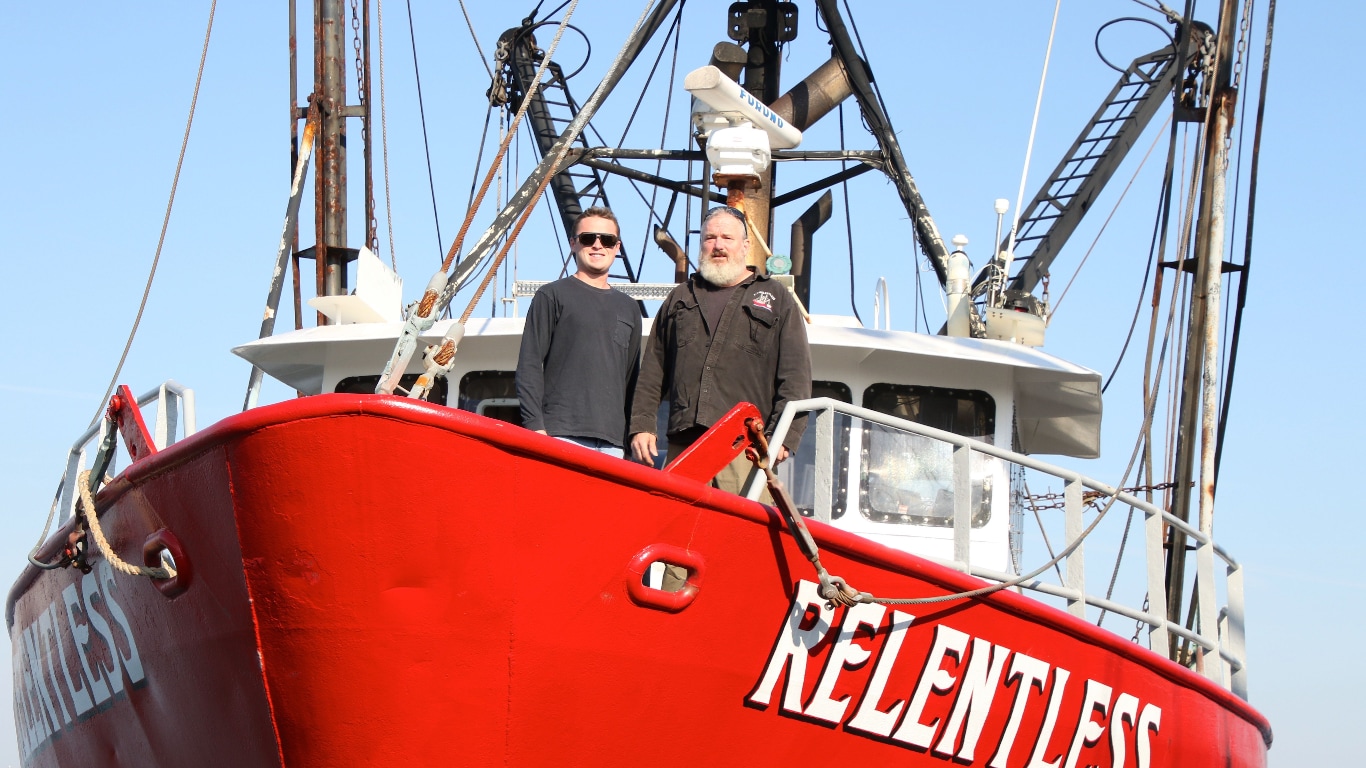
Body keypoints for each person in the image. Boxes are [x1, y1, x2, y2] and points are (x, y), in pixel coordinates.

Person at [629, 205, 811, 497]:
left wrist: (783, 438)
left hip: (745, 449)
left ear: (745, 246)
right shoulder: (679, 298)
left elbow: (795, 378)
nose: (718, 245)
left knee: (741, 536)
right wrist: (642, 425)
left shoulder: (777, 299)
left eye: (727, 237)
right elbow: (653, 371)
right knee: (674, 530)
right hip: (685, 445)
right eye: (710, 238)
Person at [516, 206, 641, 458]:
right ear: (573, 244)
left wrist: (629, 439)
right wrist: (535, 428)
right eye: (587, 238)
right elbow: (529, 365)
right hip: (559, 435)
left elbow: (631, 378)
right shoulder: (551, 296)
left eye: (606, 240)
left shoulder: (629, 308)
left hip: (613, 444)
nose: (597, 245)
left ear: (617, 247)